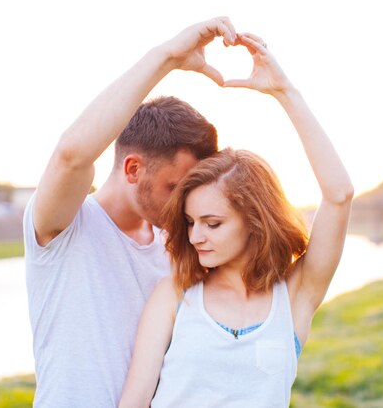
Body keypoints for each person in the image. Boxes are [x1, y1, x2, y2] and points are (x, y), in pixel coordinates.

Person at [118, 32, 354, 407]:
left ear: (254, 222)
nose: (196, 236)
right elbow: (134, 401)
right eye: (191, 222)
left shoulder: (294, 296)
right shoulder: (175, 295)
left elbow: (339, 195)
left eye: (213, 224)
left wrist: (284, 91)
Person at [22, 17, 239, 407]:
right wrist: (167, 56)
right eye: (175, 187)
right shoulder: (65, 227)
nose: (184, 205)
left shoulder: (180, 243)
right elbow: (72, 154)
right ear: (133, 169)